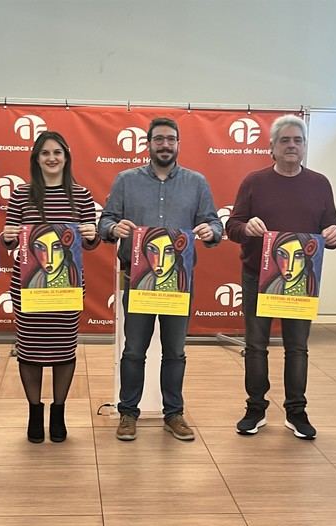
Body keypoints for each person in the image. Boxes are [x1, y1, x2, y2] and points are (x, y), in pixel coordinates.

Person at [99, 117, 222, 442]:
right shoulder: (126, 181)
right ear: (149, 144)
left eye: (170, 139)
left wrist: (212, 232)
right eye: (159, 139)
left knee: (175, 352)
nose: (165, 145)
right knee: (134, 351)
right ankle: (128, 413)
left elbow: (214, 222)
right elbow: (105, 221)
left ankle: (174, 414)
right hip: (138, 280)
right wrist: (114, 228)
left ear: (178, 143)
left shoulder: (197, 183)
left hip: (177, 284)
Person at [226, 114, 336, 440]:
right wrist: (245, 229)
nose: (292, 146)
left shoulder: (319, 184)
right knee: (256, 345)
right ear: (272, 148)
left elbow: (331, 227)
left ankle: (296, 410)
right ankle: (255, 407)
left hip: (300, 281)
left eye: (298, 140)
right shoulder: (254, 181)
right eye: (285, 140)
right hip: (256, 276)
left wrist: (334, 234)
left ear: (305, 146)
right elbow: (232, 226)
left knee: (298, 347)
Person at [3, 131, 99, 443]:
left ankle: (58, 413)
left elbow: (93, 242)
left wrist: (90, 234)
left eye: (57, 152)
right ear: (36, 159)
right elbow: (9, 238)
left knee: (63, 351)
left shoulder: (81, 195)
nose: (52, 158)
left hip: (66, 288)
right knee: (29, 352)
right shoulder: (21, 194)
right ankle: (34, 412)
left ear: (66, 156)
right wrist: (7, 235)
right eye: (45, 153)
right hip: (28, 287)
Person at [131, 227, 191, 292]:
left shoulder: (181, 283)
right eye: (153, 249)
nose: (160, 263)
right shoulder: (143, 282)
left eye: (169, 251)